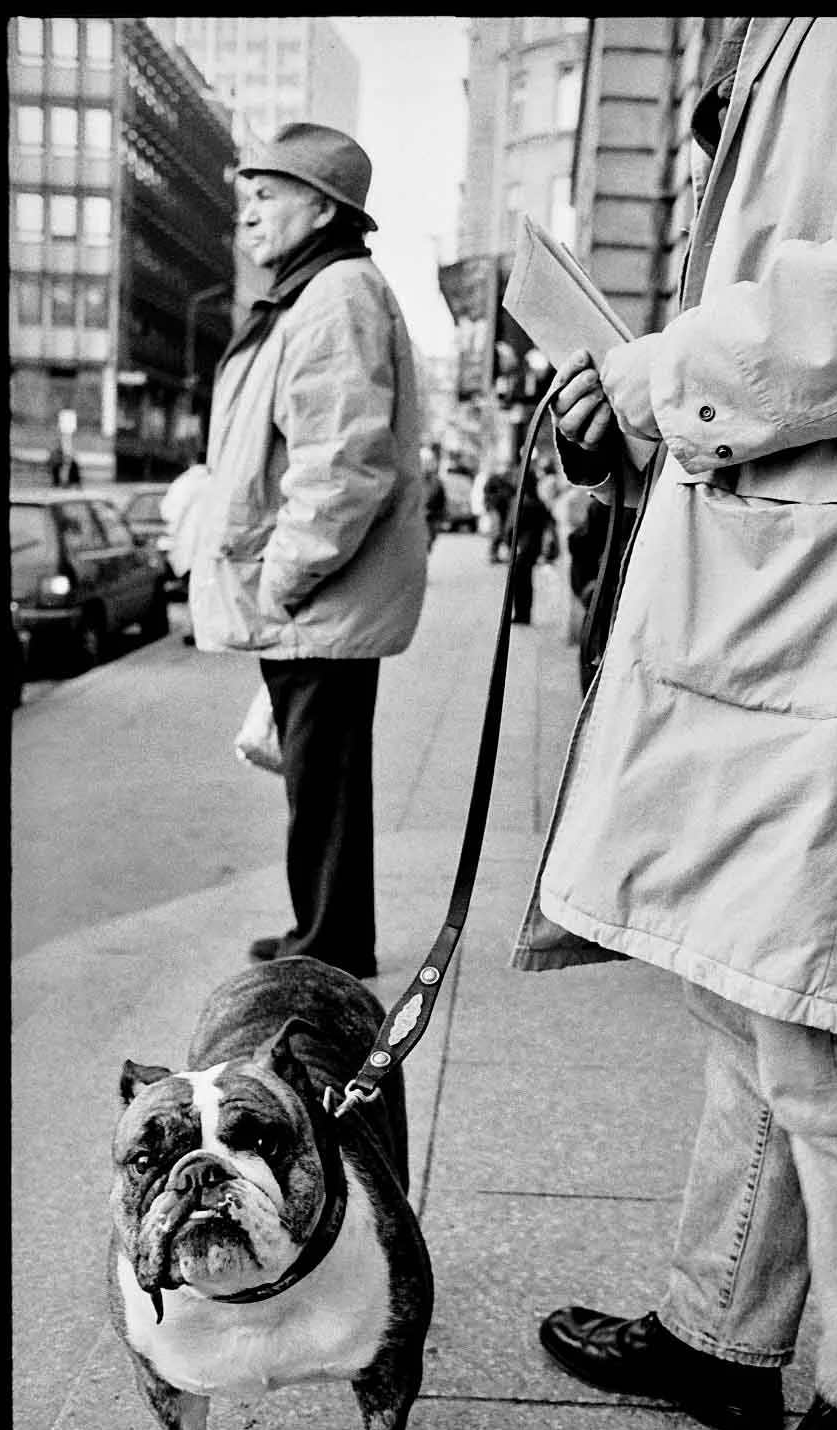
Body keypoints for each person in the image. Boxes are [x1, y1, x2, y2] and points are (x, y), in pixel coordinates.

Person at [511, 16, 837, 1430]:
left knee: (822, 1021)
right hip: (793, 565)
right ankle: (719, 1331)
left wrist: (662, 374)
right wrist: (641, 383)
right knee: (743, 982)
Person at [188, 122, 427, 980]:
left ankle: (328, 946)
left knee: (321, 786)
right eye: (245, 196)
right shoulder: (314, 291)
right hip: (317, 596)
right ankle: (321, 933)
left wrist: (285, 576)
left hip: (318, 595)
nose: (246, 213)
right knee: (316, 782)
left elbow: (342, 464)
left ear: (321, 207)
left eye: (267, 195)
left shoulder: (333, 297)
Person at [160, 449, 209, 645]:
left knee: (192, 589)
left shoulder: (184, 483)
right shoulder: (217, 481)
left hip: (188, 546)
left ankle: (193, 630)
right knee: (207, 590)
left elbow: (168, 510)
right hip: (210, 546)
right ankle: (204, 630)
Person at [503, 467, 557, 625]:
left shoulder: (525, 502)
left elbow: (514, 527)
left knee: (521, 581)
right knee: (524, 581)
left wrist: (508, 540)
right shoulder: (536, 502)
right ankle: (523, 613)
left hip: (524, 548)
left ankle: (522, 614)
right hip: (532, 547)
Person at [481, 465, 514, 563]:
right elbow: (486, 493)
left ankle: (495, 554)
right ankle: (492, 554)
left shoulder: (506, 482)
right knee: (497, 531)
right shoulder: (493, 480)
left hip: (503, 509)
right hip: (494, 508)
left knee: (503, 531)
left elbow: (512, 492)